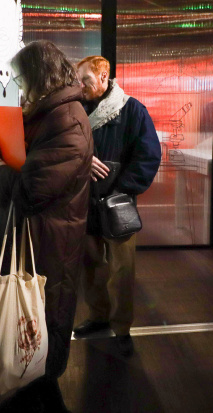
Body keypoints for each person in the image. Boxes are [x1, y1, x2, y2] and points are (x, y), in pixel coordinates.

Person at [0, 40, 93, 411]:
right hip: (36, 244)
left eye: (21, 80)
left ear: (40, 76)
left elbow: (28, 192)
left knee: (36, 341)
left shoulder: (67, 121)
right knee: (29, 342)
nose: (18, 89)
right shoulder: (50, 114)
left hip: (46, 253)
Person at [72, 56, 161, 356]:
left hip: (117, 204)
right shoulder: (75, 111)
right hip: (84, 203)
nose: (79, 86)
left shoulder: (132, 110)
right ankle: (98, 317)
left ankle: (122, 328)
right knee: (91, 266)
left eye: (84, 80)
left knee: (122, 270)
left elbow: (148, 157)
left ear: (103, 76)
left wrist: (121, 191)